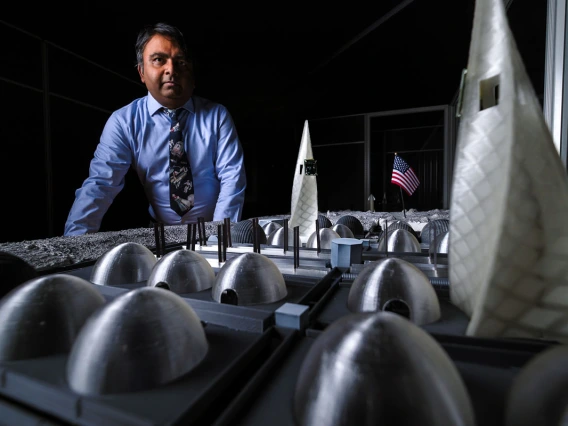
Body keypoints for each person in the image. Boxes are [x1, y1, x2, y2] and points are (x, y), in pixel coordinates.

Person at [64, 22, 246, 236]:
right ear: (141, 71)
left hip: (211, 230)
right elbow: (100, 184)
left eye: (181, 62)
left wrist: (220, 240)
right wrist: (73, 243)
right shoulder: (124, 122)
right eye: (159, 60)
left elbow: (232, 179)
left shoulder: (217, 116)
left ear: (192, 73)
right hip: (158, 234)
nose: (171, 70)